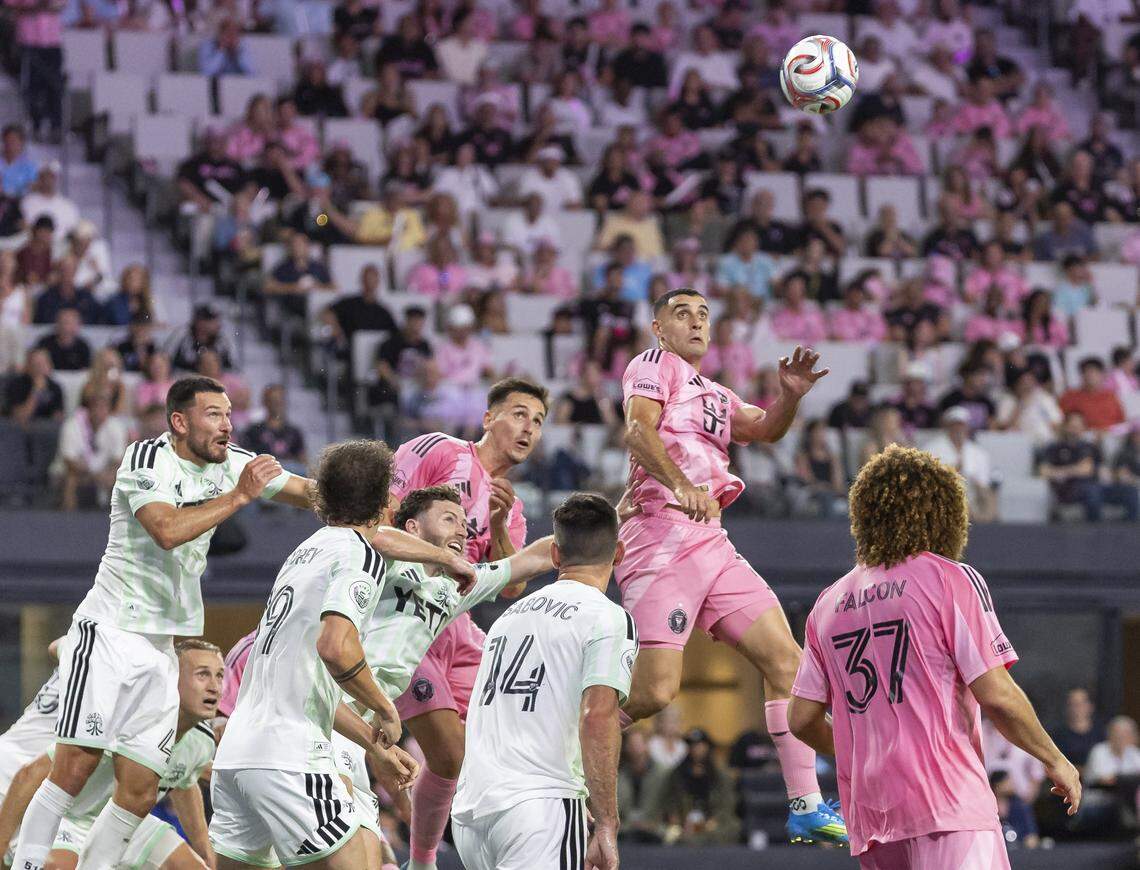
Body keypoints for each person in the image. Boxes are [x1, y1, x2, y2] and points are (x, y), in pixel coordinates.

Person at [11, 377, 313, 870]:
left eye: (228, 414)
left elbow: (304, 491)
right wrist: (239, 497)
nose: (227, 424)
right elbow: (166, 530)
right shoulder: (146, 458)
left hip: (160, 648)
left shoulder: (229, 462)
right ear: (180, 421)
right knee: (74, 767)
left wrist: (364, 502)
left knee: (140, 789)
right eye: (213, 414)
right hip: (110, 631)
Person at [616, 289, 847, 844]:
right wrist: (681, 484)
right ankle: (569, 735)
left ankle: (805, 805)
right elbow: (638, 430)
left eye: (703, 314)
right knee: (655, 692)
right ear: (658, 328)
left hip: (712, 539)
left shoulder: (715, 392)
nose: (696, 322)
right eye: (682, 314)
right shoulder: (653, 364)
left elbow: (764, 428)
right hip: (660, 534)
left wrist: (789, 397)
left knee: (788, 661)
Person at [787, 444, 1082, 870]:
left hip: (873, 819)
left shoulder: (827, 605)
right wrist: (1055, 759)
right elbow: (997, 693)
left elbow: (800, 719)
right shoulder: (949, 578)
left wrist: (865, 751)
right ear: (941, 513)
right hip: (948, 804)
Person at [209, 439, 421, 869]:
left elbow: (308, 684)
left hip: (236, 756)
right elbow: (335, 647)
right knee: (365, 857)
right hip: (289, 755)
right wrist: (385, 708)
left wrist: (374, 746)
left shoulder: (305, 551)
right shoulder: (360, 553)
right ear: (383, 501)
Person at [384, 378, 550, 870]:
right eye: (519, 414)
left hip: (458, 627)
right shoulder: (440, 449)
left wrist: (498, 523)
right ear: (488, 418)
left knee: (509, 732)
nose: (529, 428)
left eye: (538, 421)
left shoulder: (512, 505)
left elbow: (512, 585)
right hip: (406, 616)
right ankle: (422, 860)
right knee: (450, 754)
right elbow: (384, 513)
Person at [353, 486, 556, 868]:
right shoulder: (382, 563)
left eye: (465, 524)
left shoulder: (454, 588)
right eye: (449, 519)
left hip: (349, 730)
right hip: (324, 713)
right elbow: (376, 535)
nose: (462, 530)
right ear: (413, 527)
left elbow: (530, 561)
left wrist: (606, 526)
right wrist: (444, 557)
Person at [452, 493, 637, 870]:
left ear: (555, 554)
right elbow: (598, 717)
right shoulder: (607, 617)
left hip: (472, 812)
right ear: (618, 554)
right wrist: (606, 822)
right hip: (540, 808)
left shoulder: (507, 618)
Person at [0, 641, 224, 870]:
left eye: (219, 676)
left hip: (114, 812)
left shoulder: (199, 738)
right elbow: (30, 775)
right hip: (55, 803)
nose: (214, 687)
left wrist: (205, 852)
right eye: (202, 674)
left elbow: (182, 778)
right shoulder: (122, 713)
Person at [1038, 411, 1138, 521]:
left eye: (1079, 426)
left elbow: (1099, 469)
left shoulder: (1091, 446)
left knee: (1130, 492)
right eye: (1073, 426)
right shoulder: (1055, 447)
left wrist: (1112, 476)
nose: (1076, 430)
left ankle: (1130, 528)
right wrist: (1075, 470)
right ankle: (1094, 530)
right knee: (1092, 492)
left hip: (1097, 486)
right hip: (1071, 488)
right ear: (1065, 427)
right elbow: (1044, 471)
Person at [659, 728, 739, 845]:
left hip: (713, 822)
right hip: (685, 823)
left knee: (729, 830)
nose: (696, 749)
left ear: (707, 747)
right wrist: (675, 818)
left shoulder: (720, 775)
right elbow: (670, 801)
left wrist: (713, 821)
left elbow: (727, 803)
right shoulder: (677, 774)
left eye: (700, 745)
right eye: (693, 745)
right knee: (668, 835)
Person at [56, 389, 130, 511]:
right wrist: (94, 475)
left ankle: (117, 518)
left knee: (122, 477)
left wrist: (107, 473)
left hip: (105, 472)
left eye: (103, 408)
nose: (99, 412)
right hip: (78, 472)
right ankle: (68, 517)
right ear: (88, 409)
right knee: (71, 479)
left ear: (109, 410)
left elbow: (118, 459)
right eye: (96, 407)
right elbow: (69, 461)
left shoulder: (116, 426)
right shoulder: (72, 425)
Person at [925, 406, 998, 523]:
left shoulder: (979, 453)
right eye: (955, 425)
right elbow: (928, 479)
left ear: (967, 427)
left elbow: (984, 482)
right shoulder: (932, 449)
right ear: (948, 426)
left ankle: (985, 521)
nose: (958, 429)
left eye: (961, 425)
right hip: (945, 494)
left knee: (989, 496)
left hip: (974, 495)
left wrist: (973, 482)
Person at [241, 384, 306, 472]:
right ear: (265, 402)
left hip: (289, 475)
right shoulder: (253, 431)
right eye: (273, 400)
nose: (277, 404)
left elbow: (303, 461)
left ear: (285, 402)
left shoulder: (294, 432)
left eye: (280, 400)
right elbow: (245, 461)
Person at [617, 730, 667, 843]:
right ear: (626, 747)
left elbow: (667, 805)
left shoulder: (662, 774)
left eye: (638, 744)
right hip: (625, 829)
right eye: (631, 744)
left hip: (655, 829)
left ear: (647, 745)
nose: (635, 748)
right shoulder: (619, 775)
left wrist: (654, 823)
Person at [1059, 358, 1126, 432]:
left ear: (1103, 375)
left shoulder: (1111, 396)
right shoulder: (1070, 396)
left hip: (1112, 434)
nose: (1090, 376)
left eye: (1094, 372)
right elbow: (1061, 422)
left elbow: (1122, 422)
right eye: (1086, 372)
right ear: (1081, 375)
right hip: (1084, 436)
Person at [4, 347, 63, 425]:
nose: (40, 368)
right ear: (27, 366)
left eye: (43, 364)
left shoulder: (55, 387)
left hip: (46, 428)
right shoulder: (16, 384)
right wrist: (36, 390)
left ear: (50, 365)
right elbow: (20, 417)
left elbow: (58, 419)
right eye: (36, 364)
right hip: (20, 428)